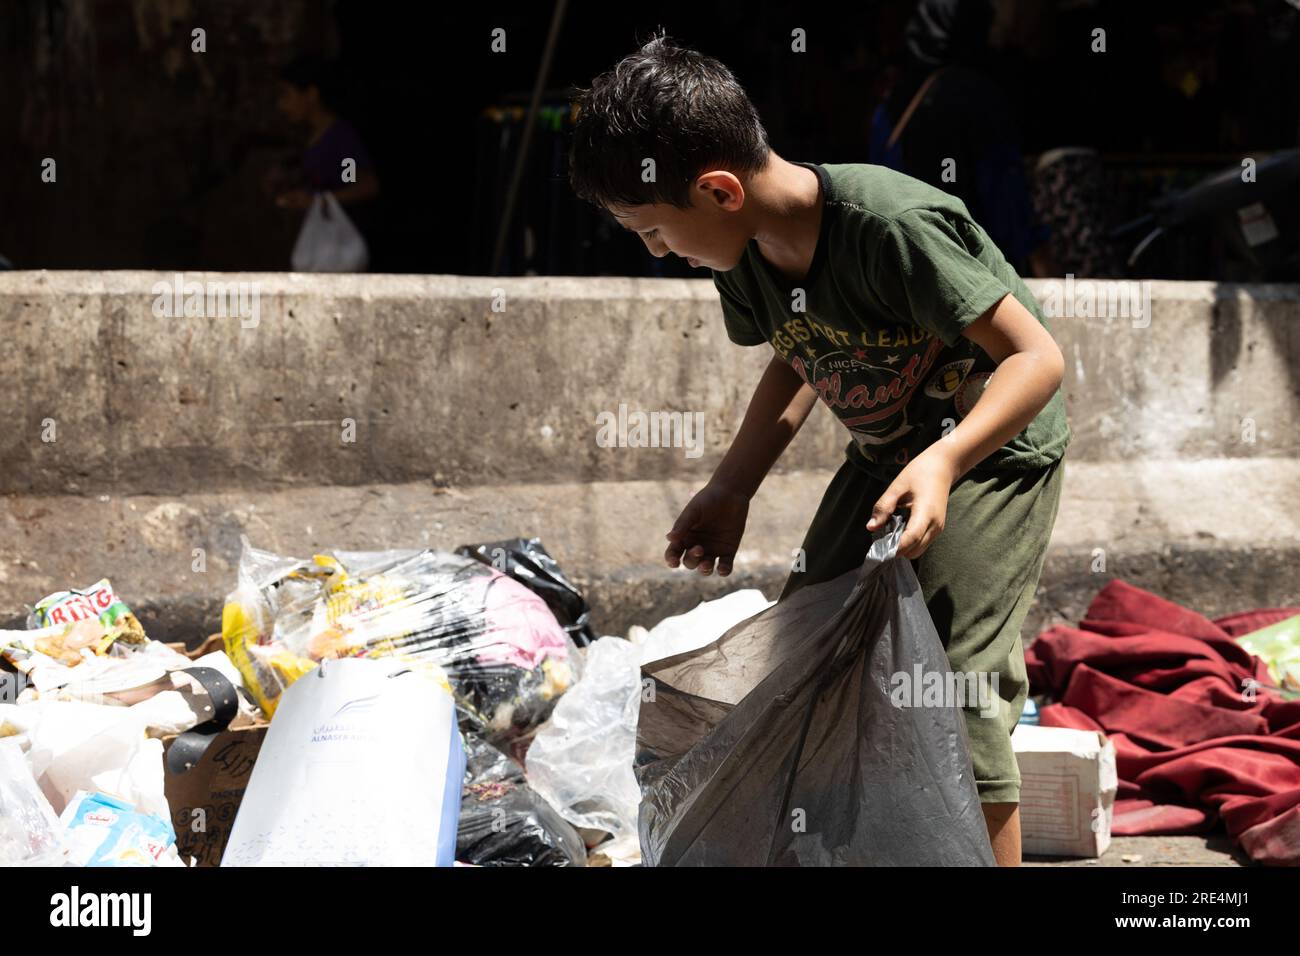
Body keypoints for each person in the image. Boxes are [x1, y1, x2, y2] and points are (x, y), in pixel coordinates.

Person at [568, 36, 1070, 866]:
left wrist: (944, 462)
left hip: (991, 455)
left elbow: (1037, 359)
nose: (657, 251)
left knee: (952, 680)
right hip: (886, 459)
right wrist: (734, 485)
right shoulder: (742, 253)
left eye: (654, 230)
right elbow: (797, 352)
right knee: (809, 653)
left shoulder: (892, 225)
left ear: (719, 190)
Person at [272, 56, 380, 250]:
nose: (282, 105)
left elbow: (364, 185)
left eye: (286, 95)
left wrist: (320, 201)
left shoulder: (340, 138)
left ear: (311, 94)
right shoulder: (311, 136)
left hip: (341, 244)